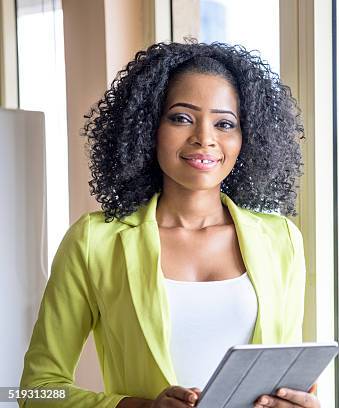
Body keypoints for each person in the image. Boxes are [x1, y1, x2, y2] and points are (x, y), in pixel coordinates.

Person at [19, 40, 320, 408]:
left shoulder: (281, 239)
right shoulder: (94, 241)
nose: (205, 138)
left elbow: (284, 381)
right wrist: (139, 407)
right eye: (181, 118)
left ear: (246, 138)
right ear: (148, 128)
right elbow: (37, 389)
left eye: (225, 123)